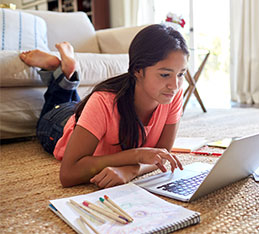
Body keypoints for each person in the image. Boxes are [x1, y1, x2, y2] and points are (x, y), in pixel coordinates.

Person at [19, 24, 188, 188]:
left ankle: (63, 71)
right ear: (137, 70)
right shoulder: (103, 101)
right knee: (59, 104)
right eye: (165, 74)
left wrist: (131, 169)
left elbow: (162, 155)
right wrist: (136, 155)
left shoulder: (173, 94)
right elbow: (68, 174)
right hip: (58, 124)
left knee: (76, 103)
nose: (174, 85)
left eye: (181, 74)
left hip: (86, 112)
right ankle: (62, 72)